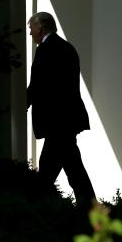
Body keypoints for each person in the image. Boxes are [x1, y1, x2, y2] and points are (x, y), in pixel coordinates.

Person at [26, 12, 96, 210]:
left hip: (56, 122)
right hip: (67, 120)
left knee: (58, 170)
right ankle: (89, 208)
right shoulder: (67, 48)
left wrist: (22, 101)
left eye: (31, 29)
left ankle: (36, 206)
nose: (30, 34)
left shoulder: (45, 50)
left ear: (40, 29)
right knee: (70, 167)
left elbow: (39, 85)